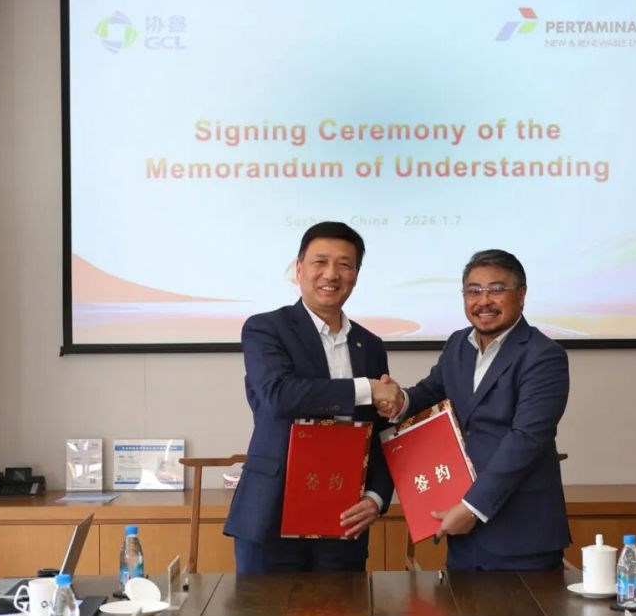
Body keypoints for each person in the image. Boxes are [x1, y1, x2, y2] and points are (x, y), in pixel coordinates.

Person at [224, 221, 401, 573]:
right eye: (320, 262)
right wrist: (367, 388)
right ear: (299, 268)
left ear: (356, 275)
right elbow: (280, 395)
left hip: (345, 514)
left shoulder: (370, 345)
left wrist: (376, 496)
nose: (331, 274)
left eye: (344, 264)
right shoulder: (265, 328)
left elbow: (380, 431)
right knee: (264, 603)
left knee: (343, 602)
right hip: (272, 513)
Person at [381, 249, 571, 571]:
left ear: (521, 295)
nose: (484, 301)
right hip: (463, 533)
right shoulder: (458, 344)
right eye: (473, 291)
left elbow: (526, 439)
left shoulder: (543, 355)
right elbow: (431, 392)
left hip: (520, 534)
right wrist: (399, 400)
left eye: (496, 290)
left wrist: (472, 507)